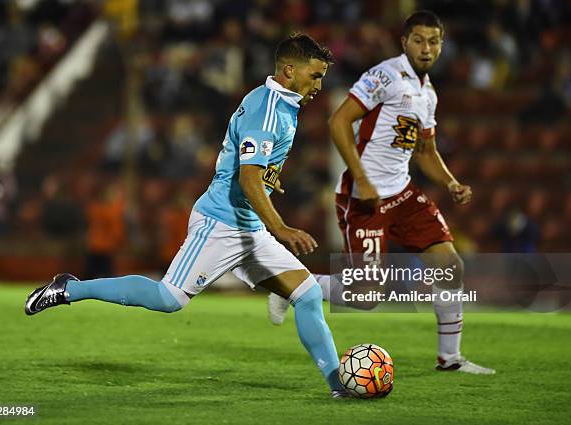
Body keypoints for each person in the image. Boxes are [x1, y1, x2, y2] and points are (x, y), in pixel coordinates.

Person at [25, 33, 350, 397]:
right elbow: (247, 179)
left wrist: (269, 182)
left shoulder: (277, 102)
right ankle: (70, 288)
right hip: (220, 223)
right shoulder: (268, 110)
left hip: (248, 226)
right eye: (315, 75)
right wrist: (282, 226)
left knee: (306, 296)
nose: (319, 85)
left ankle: (338, 384)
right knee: (168, 299)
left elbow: (253, 170)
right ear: (290, 70)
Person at [268, 12, 495, 375]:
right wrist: (363, 179)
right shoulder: (384, 76)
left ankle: (449, 358)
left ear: (442, 45)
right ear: (404, 42)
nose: (426, 48)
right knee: (365, 296)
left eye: (434, 41)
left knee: (451, 267)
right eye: (419, 40)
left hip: (403, 195)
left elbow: (425, 151)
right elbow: (338, 121)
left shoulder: (428, 93)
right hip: (365, 198)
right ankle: (288, 285)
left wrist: (451, 182)